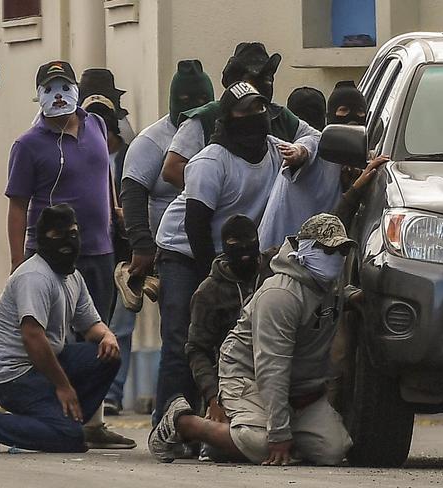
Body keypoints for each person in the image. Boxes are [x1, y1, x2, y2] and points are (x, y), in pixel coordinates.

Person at [152, 81, 307, 426]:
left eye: (260, 108)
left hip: (231, 254)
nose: (255, 116)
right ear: (228, 118)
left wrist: (304, 151)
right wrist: (213, 280)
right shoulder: (211, 160)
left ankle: (218, 420)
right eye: (245, 111)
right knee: (184, 339)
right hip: (184, 251)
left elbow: (313, 138)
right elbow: (196, 225)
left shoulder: (272, 149)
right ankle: (167, 421)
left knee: (229, 341)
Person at [149, 214, 356, 465]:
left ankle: (234, 440)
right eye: (327, 250)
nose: (336, 258)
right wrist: (216, 398)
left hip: (298, 387)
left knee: (333, 451)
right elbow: (270, 367)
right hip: (249, 376)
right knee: (262, 445)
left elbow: (327, 301)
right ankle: (185, 423)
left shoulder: (328, 285)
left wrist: (357, 298)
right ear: (305, 251)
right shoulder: (277, 294)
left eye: (342, 250)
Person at [5, 60, 134, 448]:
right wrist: (17, 264)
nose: (58, 93)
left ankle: (92, 422)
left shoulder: (95, 125)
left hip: (99, 249)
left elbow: (105, 172)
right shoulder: (29, 144)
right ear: (39, 93)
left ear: (76, 88)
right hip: (50, 258)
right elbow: (17, 206)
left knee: (100, 335)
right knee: (54, 337)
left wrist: (115, 211)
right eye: (50, 86)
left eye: (65, 84)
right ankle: (48, 417)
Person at [0, 205, 121, 453]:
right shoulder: (35, 276)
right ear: (43, 239)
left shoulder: (72, 276)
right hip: (11, 374)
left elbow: (90, 325)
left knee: (107, 357)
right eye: (58, 236)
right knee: (69, 438)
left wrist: (108, 336)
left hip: (43, 363)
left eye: (73, 233)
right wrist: (63, 387)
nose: (67, 242)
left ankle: (61, 421)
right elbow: (33, 337)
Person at [105, 60, 214, 415]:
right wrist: (141, 245)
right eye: (184, 98)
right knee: (178, 334)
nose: (191, 104)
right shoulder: (151, 141)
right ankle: (168, 416)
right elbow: (132, 192)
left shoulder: (219, 130)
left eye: (199, 98)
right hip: (172, 252)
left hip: (214, 249)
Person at [162, 42, 319, 190]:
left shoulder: (280, 116)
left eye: (267, 78)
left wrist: (301, 150)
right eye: (254, 79)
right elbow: (172, 169)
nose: (263, 85)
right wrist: (217, 189)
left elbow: (317, 139)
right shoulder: (206, 117)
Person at [185, 215, 276, 426]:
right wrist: (213, 397)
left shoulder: (276, 270)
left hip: (278, 369)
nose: (244, 248)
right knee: (242, 440)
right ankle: (188, 426)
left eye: (249, 240)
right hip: (232, 380)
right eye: (235, 243)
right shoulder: (208, 293)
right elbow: (197, 349)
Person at [258, 80, 369, 251]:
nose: (352, 118)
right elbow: (304, 149)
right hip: (277, 254)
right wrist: (296, 153)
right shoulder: (317, 143)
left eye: (360, 112)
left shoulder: (358, 161)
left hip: (313, 258)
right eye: (343, 111)